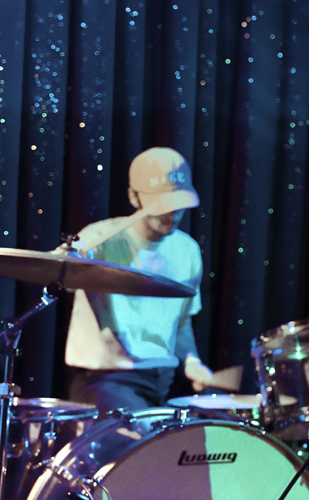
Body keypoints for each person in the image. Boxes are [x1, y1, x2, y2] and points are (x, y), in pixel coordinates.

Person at [65, 146, 214, 413]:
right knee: (143, 445)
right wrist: (69, 257)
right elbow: (63, 272)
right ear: (135, 198)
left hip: (162, 379)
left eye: (179, 203)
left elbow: (181, 321)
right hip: (106, 379)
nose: (173, 213)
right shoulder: (101, 239)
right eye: (164, 205)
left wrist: (192, 361)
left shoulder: (186, 249)